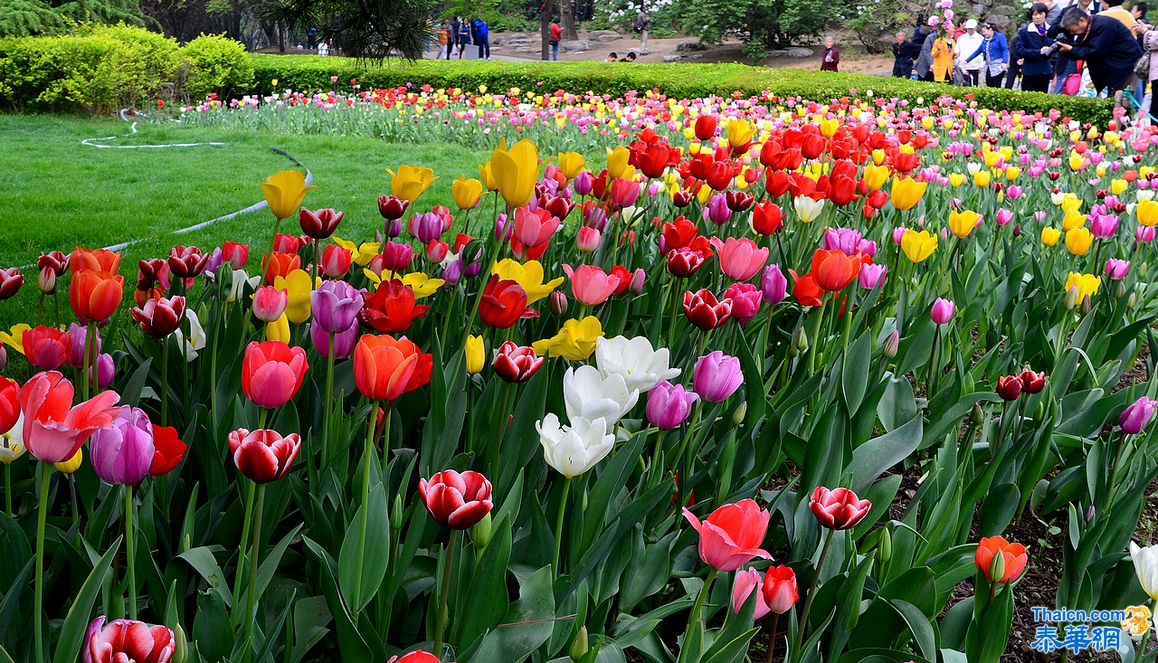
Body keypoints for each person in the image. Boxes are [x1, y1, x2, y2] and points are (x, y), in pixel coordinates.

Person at [1056, 5, 1144, 94]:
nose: (1071, 33)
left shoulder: (1103, 25)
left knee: (1123, 101)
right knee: (1113, 102)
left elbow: (1095, 52)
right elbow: (1080, 49)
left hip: (1126, 68)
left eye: (1072, 29)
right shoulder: (1088, 28)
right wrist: (1066, 49)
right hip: (1112, 71)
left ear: (1082, 21)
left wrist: (1071, 49)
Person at [1018, 3, 1058, 91]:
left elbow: (1055, 48)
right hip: (1030, 71)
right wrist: (1038, 52)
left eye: (1041, 14)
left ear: (1045, 15)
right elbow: (1020, 50)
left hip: (1045, 71)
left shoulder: (1051, 30)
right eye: (1035, 14)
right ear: (1031, 16)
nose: (1038, 17)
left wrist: (1051, 49)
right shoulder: (1025, 31)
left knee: (1042, 99)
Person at [956, 19, 986, 84]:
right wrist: (959, 64)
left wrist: (981, 65)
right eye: (969, 28)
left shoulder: (980, 38)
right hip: (963, 66)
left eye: (972, 28)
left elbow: (982, 53)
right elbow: (957, 51)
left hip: (975, 66)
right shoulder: (961, 38)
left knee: (974, 86)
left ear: (975, 28)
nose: (970, 30)